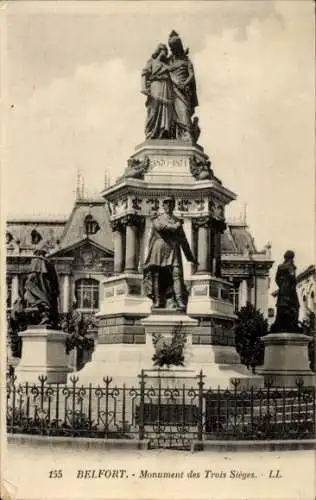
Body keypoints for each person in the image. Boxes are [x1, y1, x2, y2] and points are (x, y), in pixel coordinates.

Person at [143, 196, 197, 311]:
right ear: (163, 206)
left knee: (176, 274)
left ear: (173, 205)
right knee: (156, 275)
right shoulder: (157, 219)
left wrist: (190, 257)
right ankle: (157, 301)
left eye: (171, 203)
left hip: (173, 249)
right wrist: (175, 226)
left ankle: (180, 300)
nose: (168, 206)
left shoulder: (177, 221)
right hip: (159, 249)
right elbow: (160, 227)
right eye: (166, 204)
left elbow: (183, 240)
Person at [167, 31, 198, 141]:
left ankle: (187, 133)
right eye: (171, 47)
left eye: (175, 47)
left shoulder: (187, 61)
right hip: (173, 90)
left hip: (184, 90)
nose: (173, 49)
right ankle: (176, 135)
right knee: (172, 114)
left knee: (184, 111)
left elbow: (191, 75)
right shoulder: (170, 61)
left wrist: (184, 84)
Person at [141, 43, 175, 140]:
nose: (166, 52)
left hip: (166, 87)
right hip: (156, 86)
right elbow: (144, 74)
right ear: (159, 50)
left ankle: (163, 133)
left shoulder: (167, 64)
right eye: (164, 50)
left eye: (166, 50)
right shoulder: (152, 62)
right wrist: (143, 88)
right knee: (153, 110)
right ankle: (151, 132)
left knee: (166, 110)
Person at [24, 243, 60, 328]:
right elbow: (55, 282)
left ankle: (45, 316)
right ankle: (47, 317)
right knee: (44, 302)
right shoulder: (50, 264)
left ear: (38, 253)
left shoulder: (36, 260)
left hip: (41, 289)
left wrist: (28, 282)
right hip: (48, 290)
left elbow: (33, 276)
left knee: (33, 298)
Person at [271, 250, 300, 333]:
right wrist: (290, 285)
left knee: (281, 307)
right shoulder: (291, 267)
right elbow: (293, 279)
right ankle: (293, 324)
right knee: (296, 306)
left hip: (282, 291)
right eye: (292, 258)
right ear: (291, 258)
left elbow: (276, 279)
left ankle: (280, 325)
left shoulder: (280, 266)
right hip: (290, 291)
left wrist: (282, 285)